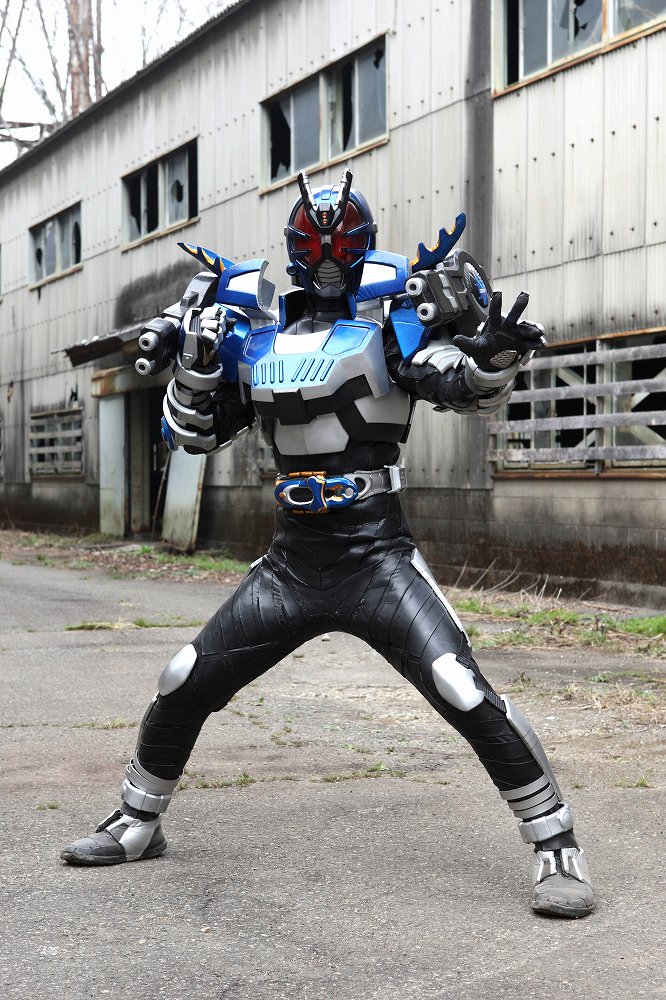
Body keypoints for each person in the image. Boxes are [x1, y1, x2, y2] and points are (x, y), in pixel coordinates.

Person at [61, 170, 594, 918]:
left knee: (461, 687)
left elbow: (456, 383)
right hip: (291, 561)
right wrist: (197, 365)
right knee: (184, 678)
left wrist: (495, 356)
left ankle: (556, 845)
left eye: (340, 243)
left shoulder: (390, 320)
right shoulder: (255, 334)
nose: (328, 259)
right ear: (293, 249)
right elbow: (193, 433)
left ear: (363, 245)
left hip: (375, 555)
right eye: (314, 244)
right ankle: (136, 819)